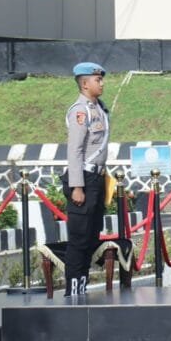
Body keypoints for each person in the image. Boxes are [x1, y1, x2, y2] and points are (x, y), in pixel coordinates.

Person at [63, 62, 109, 297]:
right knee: (80, 238)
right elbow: (75, 150)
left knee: (92, 235)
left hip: (96, 179)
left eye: (101, 79)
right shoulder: (80, 111)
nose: (101, 83)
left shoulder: (98, 108)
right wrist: (77, 186)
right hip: (84, 179)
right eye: (97, 79)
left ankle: (82, 284)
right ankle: (73, 289)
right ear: (84, 83)